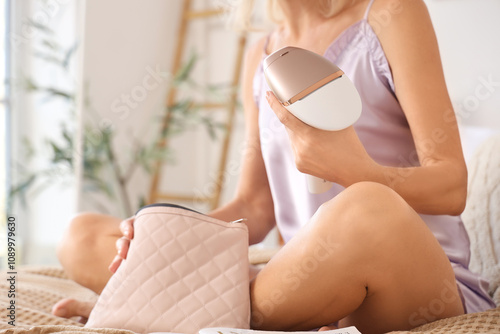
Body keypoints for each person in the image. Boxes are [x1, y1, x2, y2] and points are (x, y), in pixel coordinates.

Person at [52, 0, 496, 333]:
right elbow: (254, 208)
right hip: (306, 280)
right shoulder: (261, 54)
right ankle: (173, 305)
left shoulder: (390, 14)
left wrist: (357, 170)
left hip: (413, 275)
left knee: (367, 207)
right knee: (82, 236)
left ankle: (154, 308)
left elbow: (452, 185)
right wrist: (166, 235)